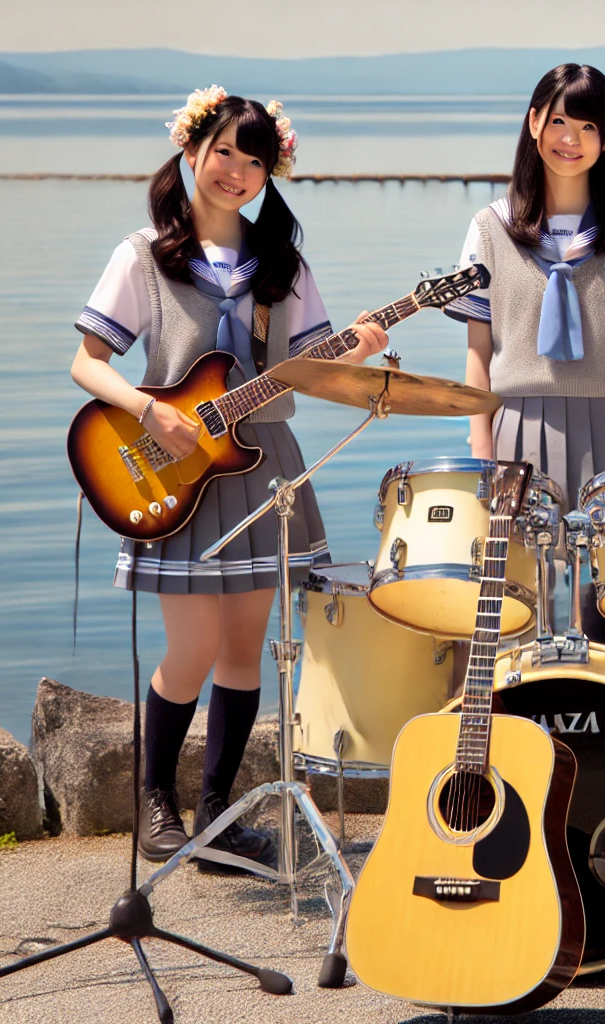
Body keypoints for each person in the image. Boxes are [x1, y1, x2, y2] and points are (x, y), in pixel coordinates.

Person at [69, 87, 388, 867]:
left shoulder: (281, 264)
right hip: (172, 469)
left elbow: (306, 371)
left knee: (245, 646)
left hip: (262, 466)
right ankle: (155, 803)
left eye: (254, 160)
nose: (236, 172)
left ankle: (216, 815)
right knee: (193, 647)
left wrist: (360, 352)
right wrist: (148, 412)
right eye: (224, 154)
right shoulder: (143, 254)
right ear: (191, 152)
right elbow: (86, 362)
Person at [447, 64, 605, 643]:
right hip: (517, 427)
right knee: (519, 603)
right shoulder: (489, 228)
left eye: (586, 126)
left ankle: (594, 730)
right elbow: (478, 352)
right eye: (557, 121)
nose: (569, 139)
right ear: (532, 124)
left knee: (602, 606)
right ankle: (524, 727)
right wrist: (483, 450)